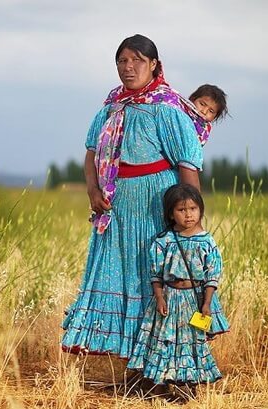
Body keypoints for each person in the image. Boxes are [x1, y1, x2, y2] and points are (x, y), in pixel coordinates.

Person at [61, 34, 205, 359]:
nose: (129, 67)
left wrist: (190, 218)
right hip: (117, 209)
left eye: (137, 60)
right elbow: (91, 154)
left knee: (154, 278)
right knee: (121, 276)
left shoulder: (166, 109)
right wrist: (93, 191)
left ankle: (166, 365)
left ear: (154, 65)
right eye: (122, 61)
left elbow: (188, 164)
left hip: (156, 208)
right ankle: (131, 362)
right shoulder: (111, 107)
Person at [127, 184, 230, 400]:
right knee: (165, 342)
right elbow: (155, 274)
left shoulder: (207, 241)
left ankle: (187, 388)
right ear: (171, 214)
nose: (188, 214)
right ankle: (159, 387)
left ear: (200, 210)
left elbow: (212, 275)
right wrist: (159, 297)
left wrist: (207, 303)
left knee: (192, 342)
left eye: (193, 209)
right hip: (170, 298)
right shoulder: (163, 241)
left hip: (195, 299)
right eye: (181, 210)